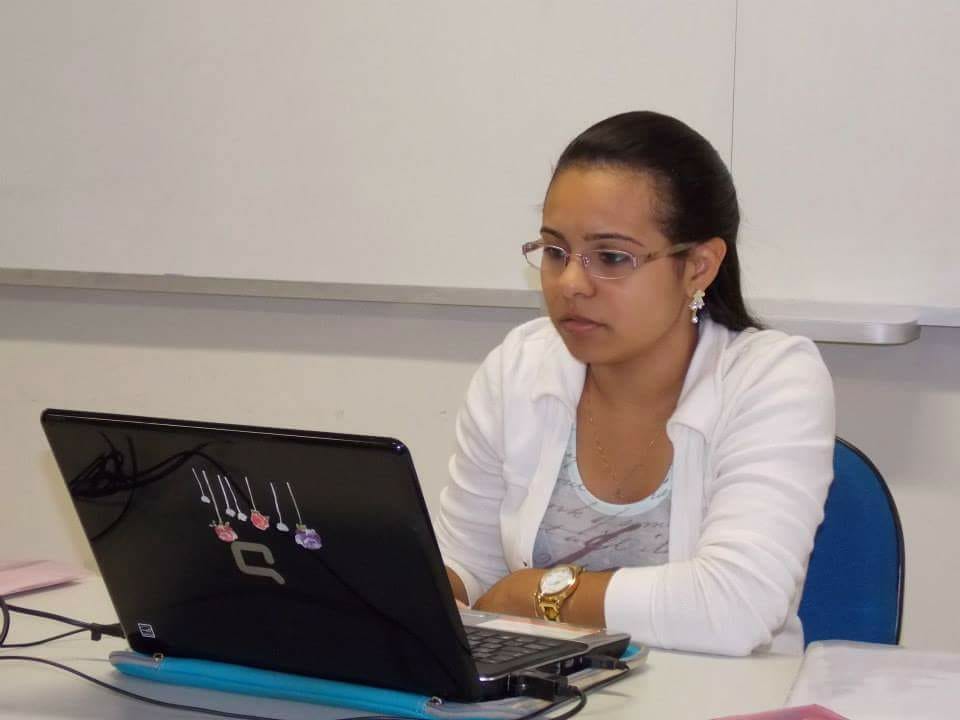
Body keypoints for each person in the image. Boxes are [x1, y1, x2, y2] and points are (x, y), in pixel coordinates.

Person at [435, 111, 835, 656]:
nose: (571, 283)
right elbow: (471, 565)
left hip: (717, 695)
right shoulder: (518, 368)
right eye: (555, 252)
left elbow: (736, 607)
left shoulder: (773, 379)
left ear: (699, 266)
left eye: (611, 257)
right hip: (548, 693)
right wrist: (421, 597)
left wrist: (535, 594)